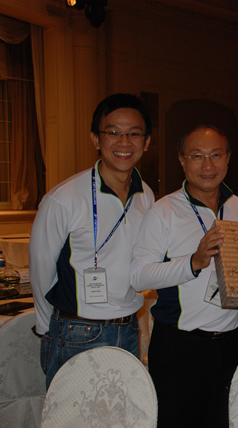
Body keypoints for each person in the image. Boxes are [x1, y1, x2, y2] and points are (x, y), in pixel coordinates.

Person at [29, 93, 155, 388]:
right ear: (96, 139)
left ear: (146, 142)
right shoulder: (64, 198)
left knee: (123, 411)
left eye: (134, 134)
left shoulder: (146, 195)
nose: (124, 142)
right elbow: (40, 269)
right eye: (113, 132)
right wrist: (49, 328)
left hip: (128, 328)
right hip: (77, 331)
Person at [130, 125, 238, 427]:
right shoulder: (164, 211)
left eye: (215, 155)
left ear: (228, 158)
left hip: (233, 342)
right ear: (182, 160)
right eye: (197, 156)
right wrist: (193, 262)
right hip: (181, 348)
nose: (207, 165)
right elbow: (139, 276)